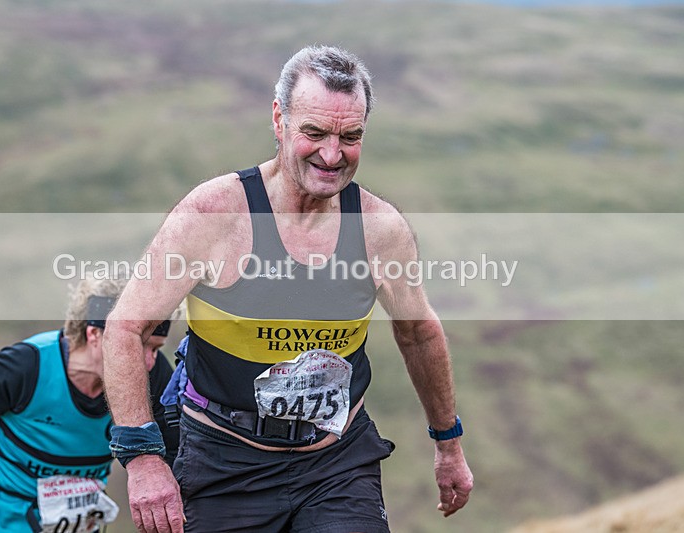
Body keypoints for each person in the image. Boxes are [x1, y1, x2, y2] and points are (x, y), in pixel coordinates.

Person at [103, 44, 474, 533]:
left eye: (350, 137)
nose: (332, 155)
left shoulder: (379, 229)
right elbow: (125, 329)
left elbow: (419, 333)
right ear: (279, 119)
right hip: (224, 463)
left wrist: (449, 444)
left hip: (336, 463)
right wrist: (143, 458)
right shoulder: (215, 215)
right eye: (314, 133)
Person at [0, 275, 179, 533]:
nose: (148, 362)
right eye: (137, 345)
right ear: (94, 334)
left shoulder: (152, 377)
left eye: (156, 349)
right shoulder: (26, 367)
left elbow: (177, 452)